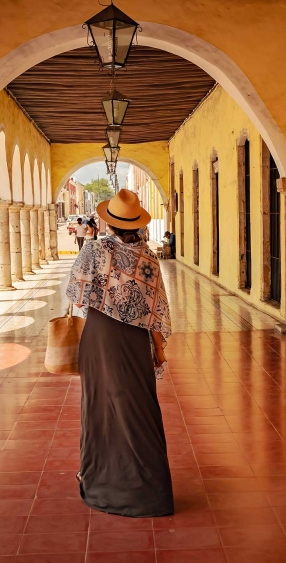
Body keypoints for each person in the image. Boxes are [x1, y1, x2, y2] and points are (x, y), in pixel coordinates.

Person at [66, 189, 174, 518]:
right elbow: (155, 310)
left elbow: (76, 294)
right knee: (139, 408)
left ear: (109, 223)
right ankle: (150, 493)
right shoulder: (149, 258)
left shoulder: (94, 250)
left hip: (100, 338)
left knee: (99, 407)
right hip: (136, 341)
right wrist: (158, 348)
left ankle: (101, 480)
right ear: (137, 224)